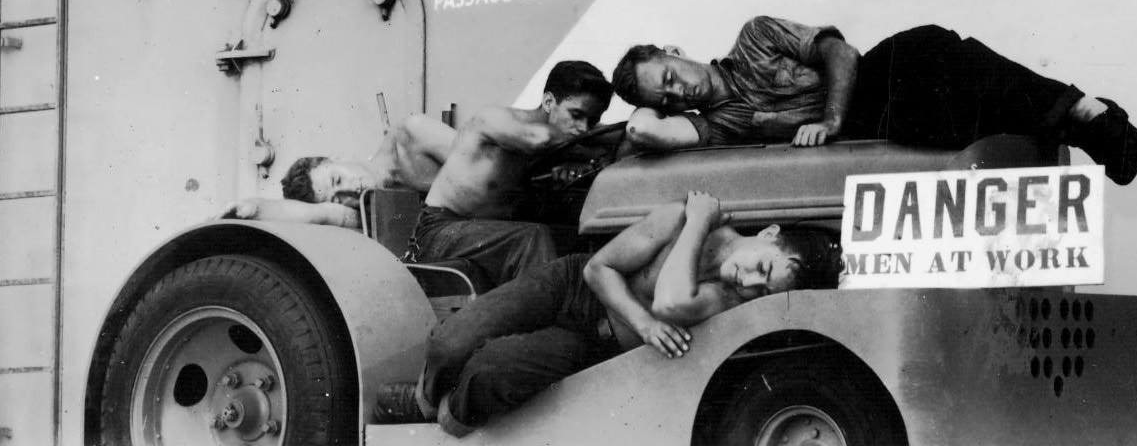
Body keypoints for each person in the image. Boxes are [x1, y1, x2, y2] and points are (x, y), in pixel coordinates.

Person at [377, 190, 842, 434]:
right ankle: (421, 402)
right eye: (764, 267)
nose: (751, 281)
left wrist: (699, 223)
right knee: (452, 339)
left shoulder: (729, 295)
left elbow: (670, 302)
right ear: (768, 233)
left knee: (493, 369)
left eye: (763, 290)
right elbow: (598, 268)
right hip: (572, 286)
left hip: (595, 342)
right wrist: (644, 322)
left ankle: (447, 420)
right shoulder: (675, 217)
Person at [613, 18, 1137, 184]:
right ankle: (1085, 118)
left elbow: (841, 53)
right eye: (667, 97)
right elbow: (640, 130)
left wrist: (829, 119)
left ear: (673, 51)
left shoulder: (755, 36)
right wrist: (650, 104)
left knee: (931, 45)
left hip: (869, 82)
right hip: (872, 127)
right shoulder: (722, 124)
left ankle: (1082, 117)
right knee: (948, 115)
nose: (677, 90)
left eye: (669, 75)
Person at [403, 59, 613, 289]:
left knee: (574, 236)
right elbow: (537, 139)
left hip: (485, 232)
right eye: (576, 115)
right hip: (439, 230)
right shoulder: (496, 119)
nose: (583, 127)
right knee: (532, 237)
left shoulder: (562, 139)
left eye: (592, 121)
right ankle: (549, 309)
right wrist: (596, 144)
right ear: (548, 101)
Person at [225, 110, 458, 228]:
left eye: (337, 180)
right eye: (337, 200)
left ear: (339, 158)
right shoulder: (372, 211)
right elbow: (314, 214)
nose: (350, 192)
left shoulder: (412, 135)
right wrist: (253, 207)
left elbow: (476, 166)